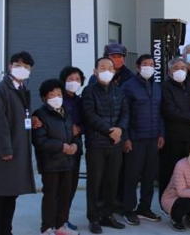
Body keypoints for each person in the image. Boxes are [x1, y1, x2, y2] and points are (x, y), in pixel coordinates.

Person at [0, 51, 36, 235]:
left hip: (17, 152)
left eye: (27, 67)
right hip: (3, 154)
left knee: (11, 194)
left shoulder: (21, 90)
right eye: (19, 65)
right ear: (10, 66)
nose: (23, 69)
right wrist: (5, 149)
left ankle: (6, 230)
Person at [82, 57, 129, 234]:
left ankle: (107, 215)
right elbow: (90, 115)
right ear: (95, 71)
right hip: (97, 144)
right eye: (103, 67)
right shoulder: (89, 91)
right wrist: (109, 131)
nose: (107, 70)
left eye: (110, 67)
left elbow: (125, 113)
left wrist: (120, 129)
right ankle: (93, 217)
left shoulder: (119, 91)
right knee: (95, 182)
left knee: (112, 181)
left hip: (115, 144)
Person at [32, 79, 81, 235]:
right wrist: (61, 146)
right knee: (50, 196)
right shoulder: (40, 114)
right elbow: (39, 141)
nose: (56, 97)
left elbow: (74, 134)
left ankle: (60, 226)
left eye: (59, 93)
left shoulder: (66, 112)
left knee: (65, 196)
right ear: (44, 98)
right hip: (50, 163)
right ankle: (47, 227)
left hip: (67, 162)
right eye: (51, 94)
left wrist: (76, 145)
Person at [120, 54, 165, 225]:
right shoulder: (128, 86)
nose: (149, 67)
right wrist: (126, 137)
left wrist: (161, 134)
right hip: (135, 138)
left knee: (149, 176)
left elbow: (160, 113)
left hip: (153, 138)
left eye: (152, 64)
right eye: (145, 64)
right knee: (132, 176)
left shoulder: (157, 86)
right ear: (138, 67)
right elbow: (124, 114)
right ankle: (128, 209)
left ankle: (144, 207)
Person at [159, 58, 190, 205]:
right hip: (173, 136)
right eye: (176, 68)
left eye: (183, 68)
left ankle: (185, 200)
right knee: (170, 170)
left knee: (188, 172)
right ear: (169, 71)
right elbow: (170, 111)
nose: (180, 70)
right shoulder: (165, 87)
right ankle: (166, 201)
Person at [59, 66, 86, 231]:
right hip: (60, 148)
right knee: (59, 187)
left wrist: (80, 129)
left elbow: (85, 122)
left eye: (77, 79)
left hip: (76, 147)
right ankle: (55, 220)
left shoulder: (80, 101)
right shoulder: (57, 98)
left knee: (71, 186)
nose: (74, 82)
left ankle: (64, 217)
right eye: (70, 79)